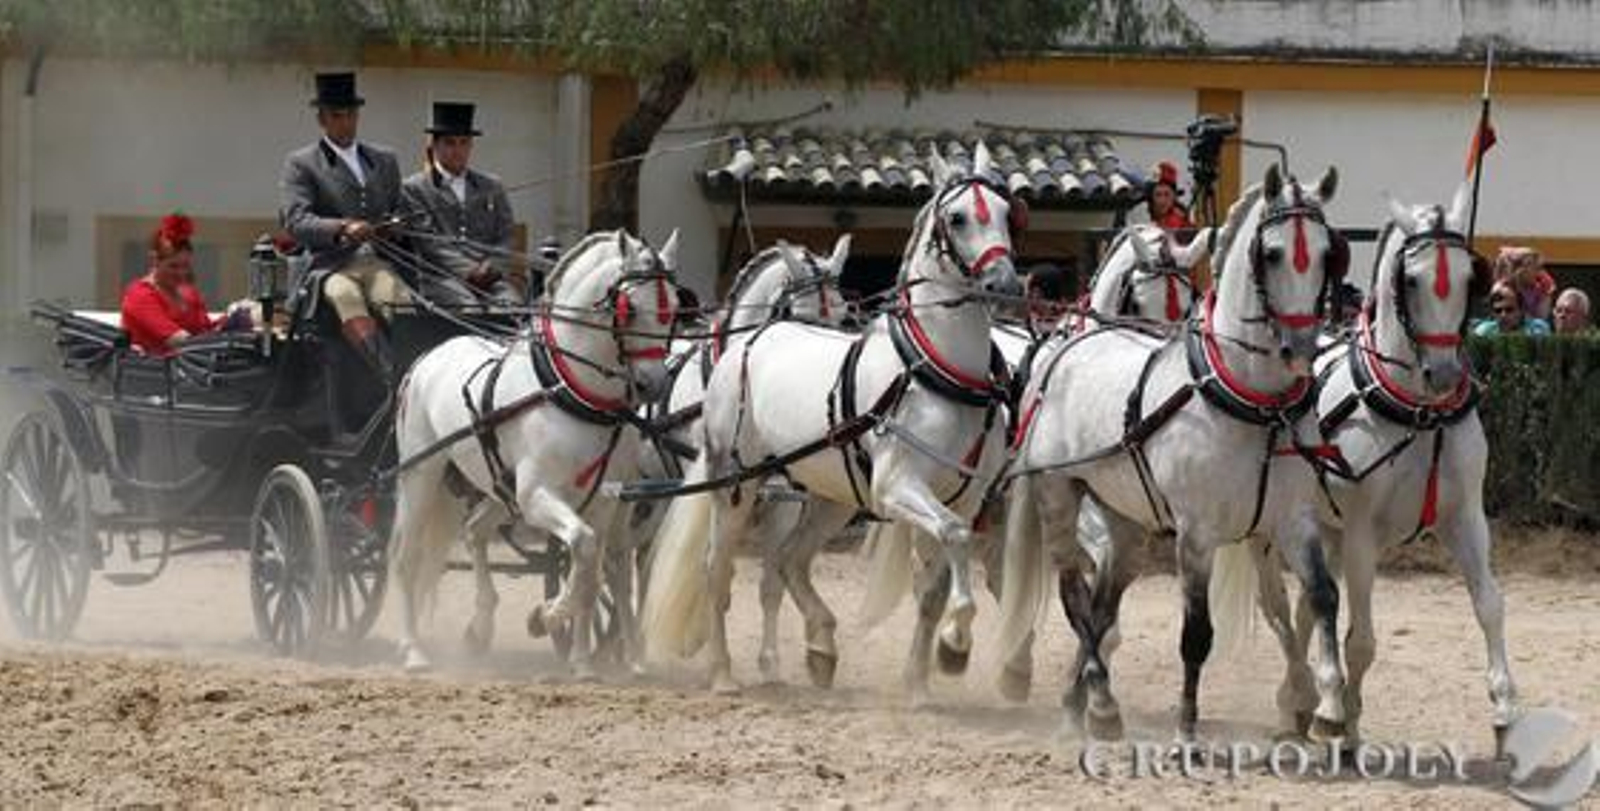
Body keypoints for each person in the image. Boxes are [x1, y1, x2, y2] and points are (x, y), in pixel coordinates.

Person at [279, 71, 409, 383]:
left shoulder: (384, 160)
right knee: (344, 294)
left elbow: (401, 206)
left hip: (374, 260)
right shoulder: (302, 163)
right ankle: (388, 375)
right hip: (329, 265)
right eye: (338, 115)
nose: (346, 122)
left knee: (398, 298)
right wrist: (342, 227)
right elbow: (296, 220)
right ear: (322, 119)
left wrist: (394, 225)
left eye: (351, 114)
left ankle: (416, 369)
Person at [401, 101, 521, 307]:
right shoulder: (414, 188)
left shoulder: (491, 185)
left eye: (464, 142)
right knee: (469, 308)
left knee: (514, 306)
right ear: (435, 146)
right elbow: (430, 244)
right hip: (440, 279)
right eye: (450, 143)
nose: (458, 150)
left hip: (489, 278)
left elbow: (506, 235)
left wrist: (492, 267)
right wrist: (469, 271)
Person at [120, 214, 249, 356]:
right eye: (173, 266)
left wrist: (233, 318)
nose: (181, 273)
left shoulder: (188, 293)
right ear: (155, 260)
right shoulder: (140, 295)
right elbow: (183, 342)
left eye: (185, 266)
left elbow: (205, 331)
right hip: (152, 374)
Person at [1493, 245, 1555, 323]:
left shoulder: (1542, 285)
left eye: (1539, 267)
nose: (1539, 271)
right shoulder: (1503, 287)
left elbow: (1541, 319)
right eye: (1534, 266)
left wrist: (1546, 291)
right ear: (1520, 270)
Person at [1474, 280, 1551, 337]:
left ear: (1522, 309)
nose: (1503, 315)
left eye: (1509, 310)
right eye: (1498, 311)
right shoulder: (1484, 332)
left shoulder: (1537, 330)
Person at [1145, 161, 1195, 233]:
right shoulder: (1148, 219)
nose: (1162, 201)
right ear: (1151, 197)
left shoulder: (1179, 224)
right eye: (1158, 195)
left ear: (1174, 197)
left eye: (1167, 194)